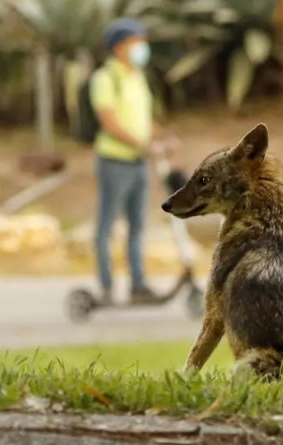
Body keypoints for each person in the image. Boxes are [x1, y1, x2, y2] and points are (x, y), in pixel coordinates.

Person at [90, 18, 165, 305]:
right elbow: (110, 124)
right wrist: (145, 145)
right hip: (114, 161)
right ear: (119, 47)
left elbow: (143, 121)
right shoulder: (105, 79)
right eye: (137, 42)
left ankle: (138, 287)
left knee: (137, 226)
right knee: (107, 226)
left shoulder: (137, 77)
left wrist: (162, 139)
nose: (142, 48)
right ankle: (107, 288)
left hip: (138, 163)